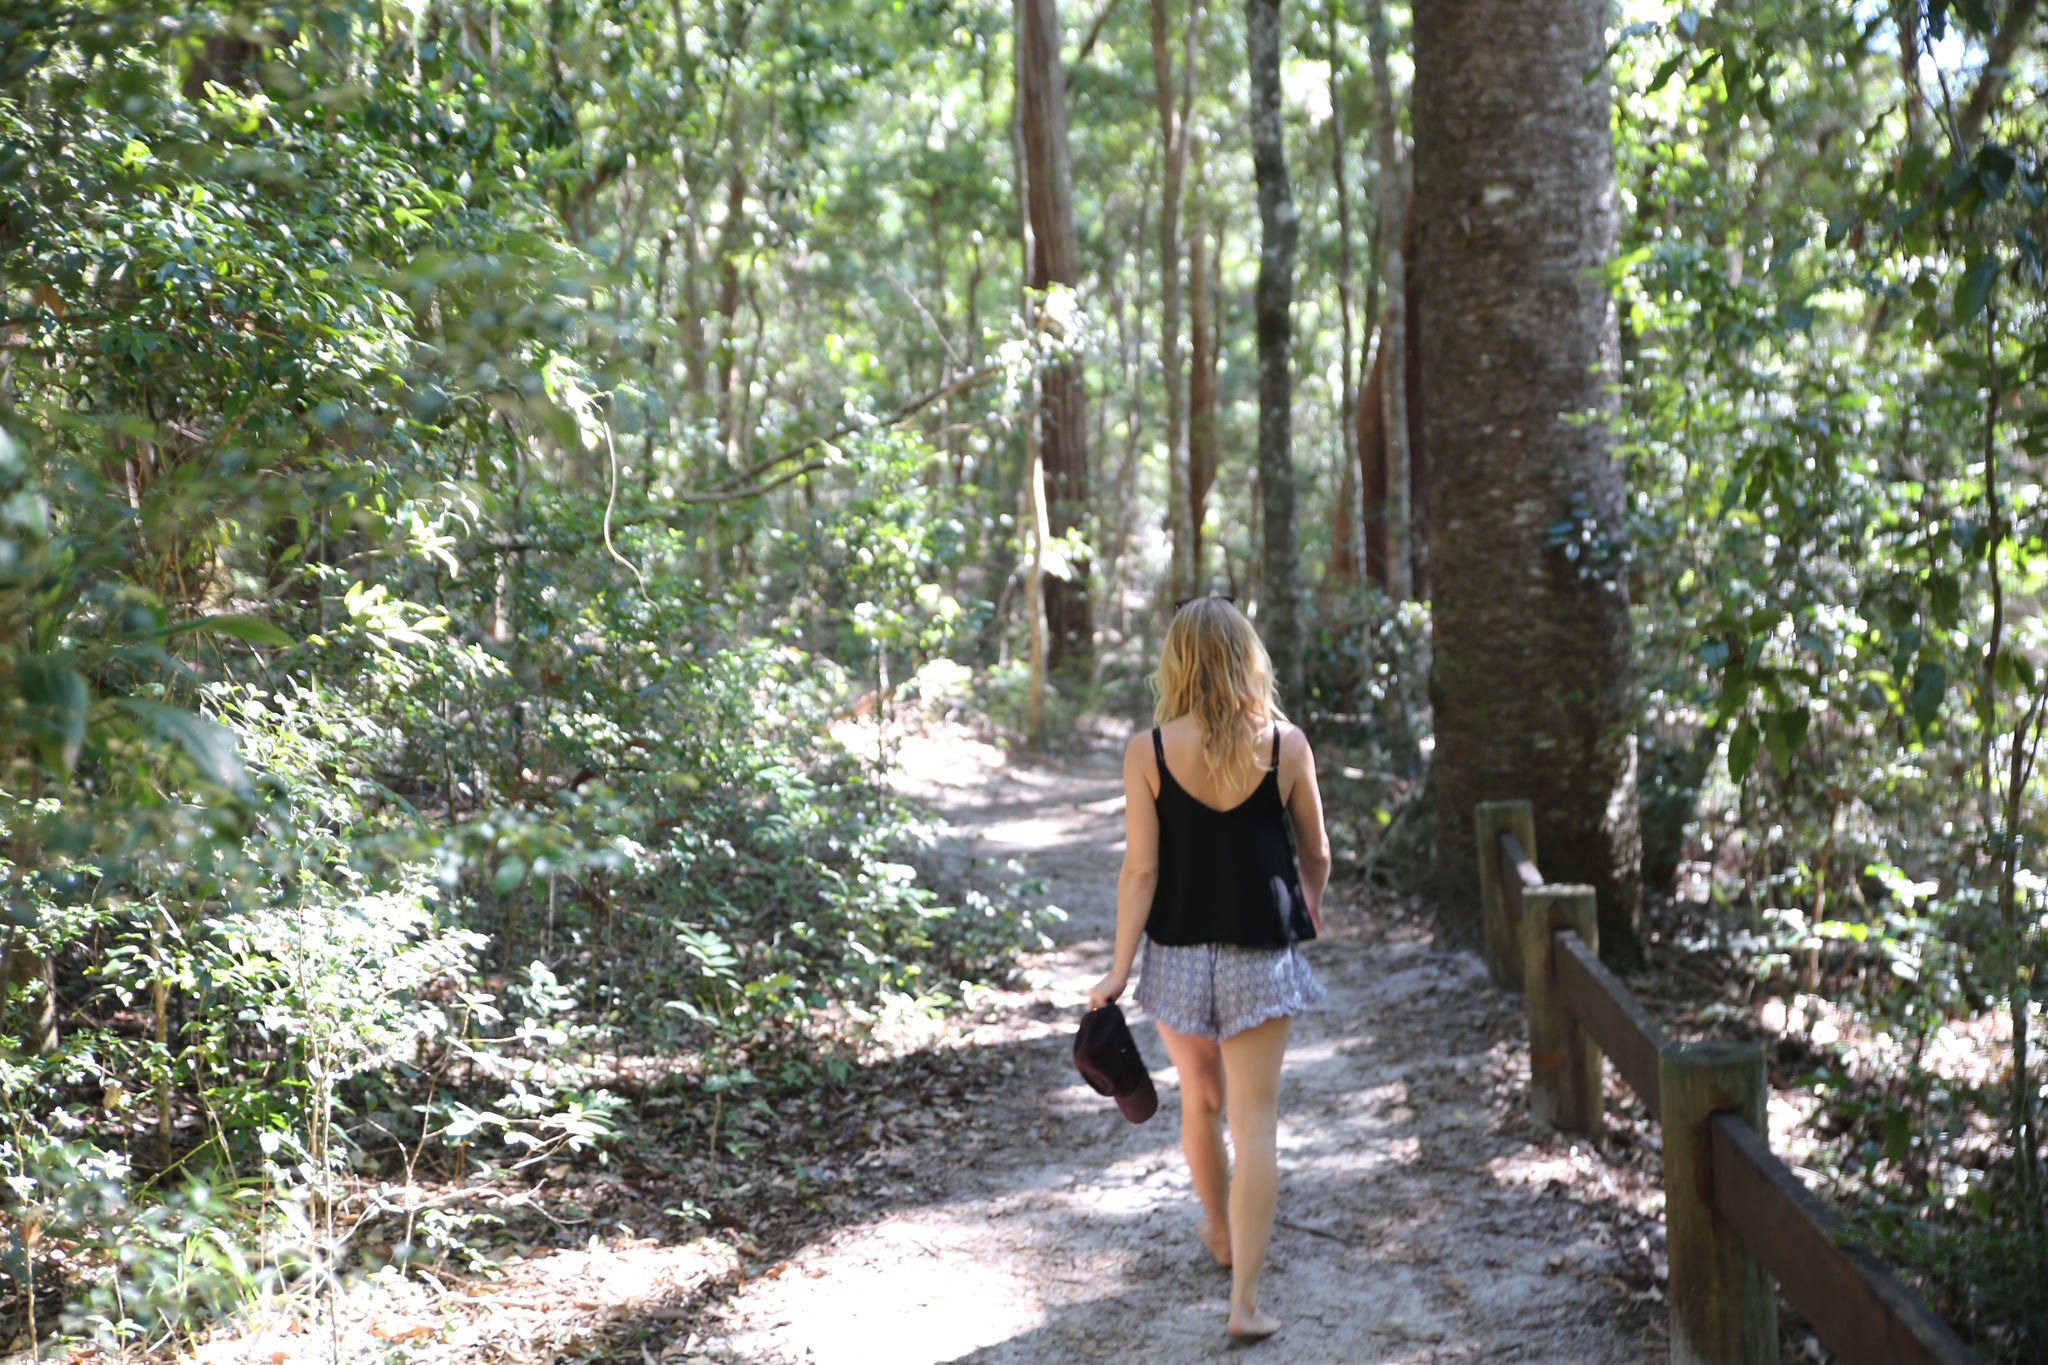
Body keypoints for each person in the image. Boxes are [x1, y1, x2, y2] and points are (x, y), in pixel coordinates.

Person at [1087, 595, 1330, 1342]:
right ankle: (1245, 1302)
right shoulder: (1285, 744)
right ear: (1247, 657)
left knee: (1200, 1101)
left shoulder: (1148, 750)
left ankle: (1222, 1234)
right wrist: (1309, 907)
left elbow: (1141, 871)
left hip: (1180, 955)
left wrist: (1117, 969)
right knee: (1257, 1124)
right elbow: (1315, 852)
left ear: (1177, 664)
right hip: (1262, 950)